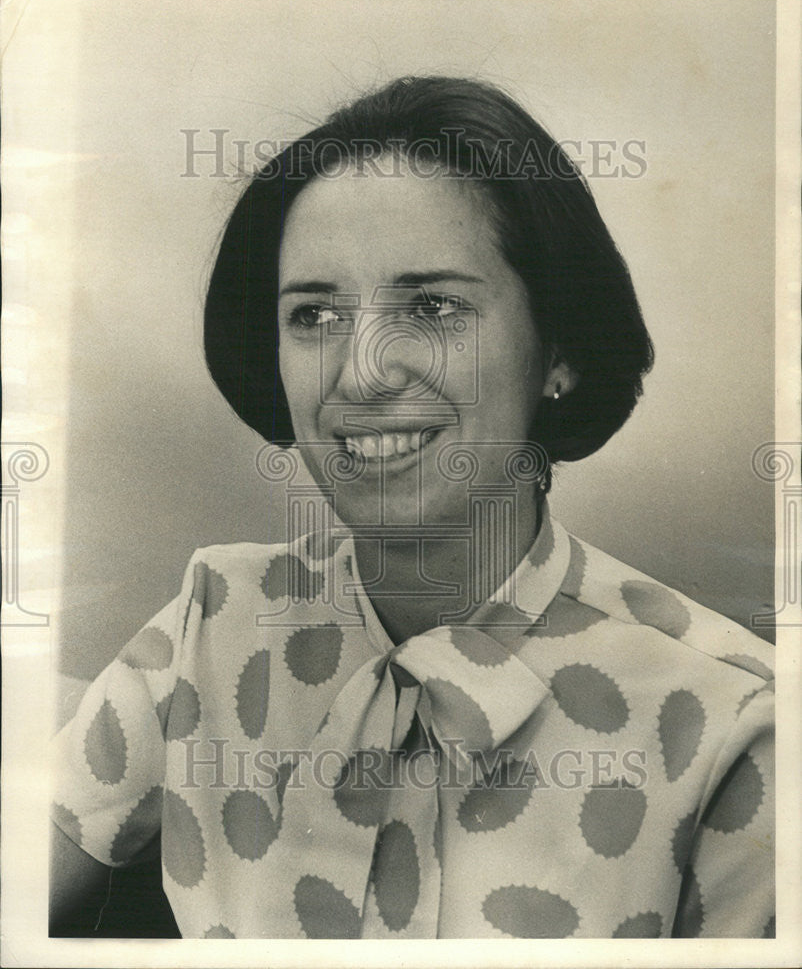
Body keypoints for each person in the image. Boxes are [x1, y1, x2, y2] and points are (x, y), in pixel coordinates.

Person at [50, 76, 774, 939]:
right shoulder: (211, 625)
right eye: (313, 313)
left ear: (562, 348)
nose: (362, 373)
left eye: (432, 306)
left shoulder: (738, 727)